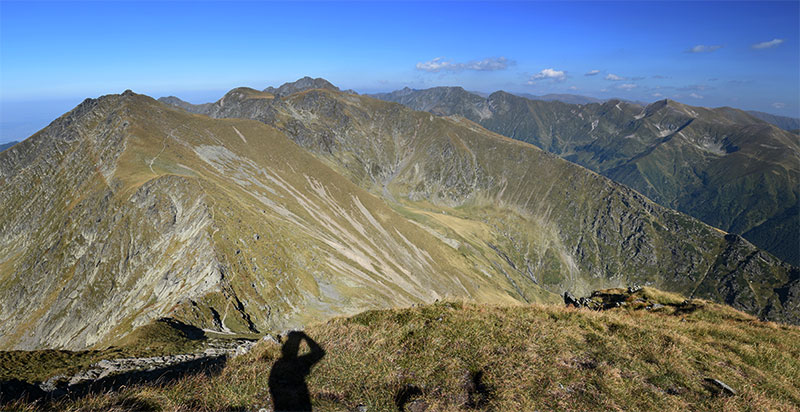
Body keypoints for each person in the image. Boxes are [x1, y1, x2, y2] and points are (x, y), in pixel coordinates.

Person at [268, 331, 325, 412]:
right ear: (298, 349)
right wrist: (305, 337)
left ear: (283, 350)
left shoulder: (277, 366)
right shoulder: (301, 362)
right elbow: (319, 352)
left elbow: (272, 387)